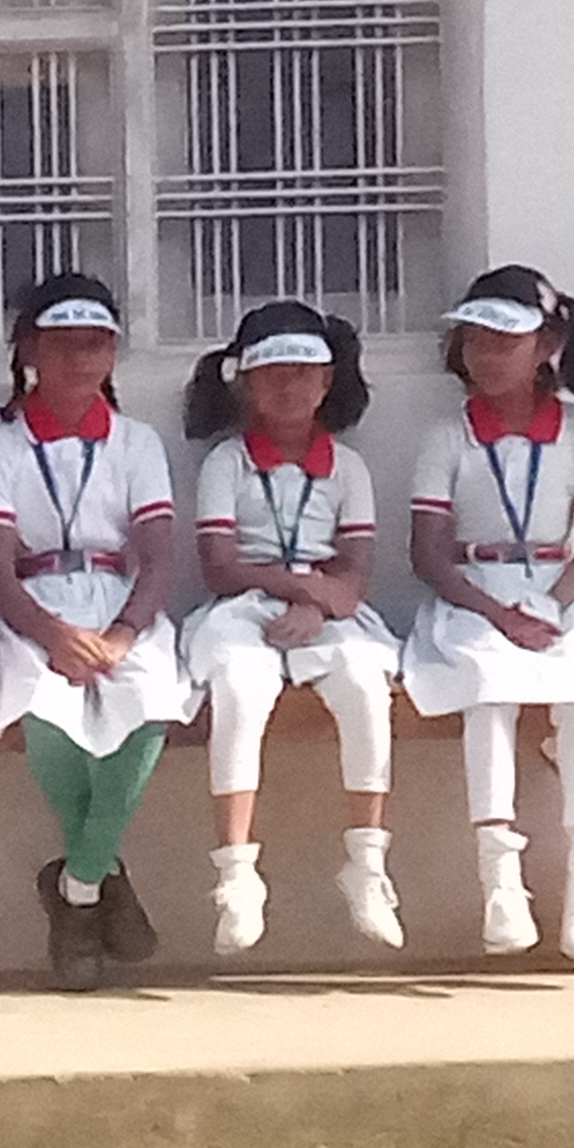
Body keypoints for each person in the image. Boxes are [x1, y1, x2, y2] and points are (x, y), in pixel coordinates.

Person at [402, 265, 574, 966]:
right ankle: (501, 886)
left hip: (559, 590)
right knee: (488, 690)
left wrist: (551, 605)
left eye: (505, 340)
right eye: (476, 339)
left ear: (547, 346)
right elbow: (428, 554)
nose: (487, 354)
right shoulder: (446, 437)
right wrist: (497, 613)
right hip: (472, 593)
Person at [0, 272, 197, 991]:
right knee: (44, 713)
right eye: (64, 343)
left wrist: (126, 632)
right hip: (36, 607)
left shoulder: (136, 442)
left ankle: (77, 887)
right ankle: (100, 882)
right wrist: (52, 634)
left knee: (150, 704)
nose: (81, 358)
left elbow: (158, 556)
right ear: (30, 350)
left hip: (121, 601)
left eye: (97, 343)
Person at [179, 299, 406, 955]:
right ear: (244, 382)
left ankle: (366, 864)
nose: (289, 386)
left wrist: (318, 604)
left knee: (363, 683)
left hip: (328, 610)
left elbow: (355, 574)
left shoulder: (348, 468)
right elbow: (221, 566)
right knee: (241, 686)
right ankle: (236, 873)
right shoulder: (226, 463)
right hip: (245, 605)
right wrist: (300, 589)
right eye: (272, 373)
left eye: (304, 373)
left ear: (328, 381)